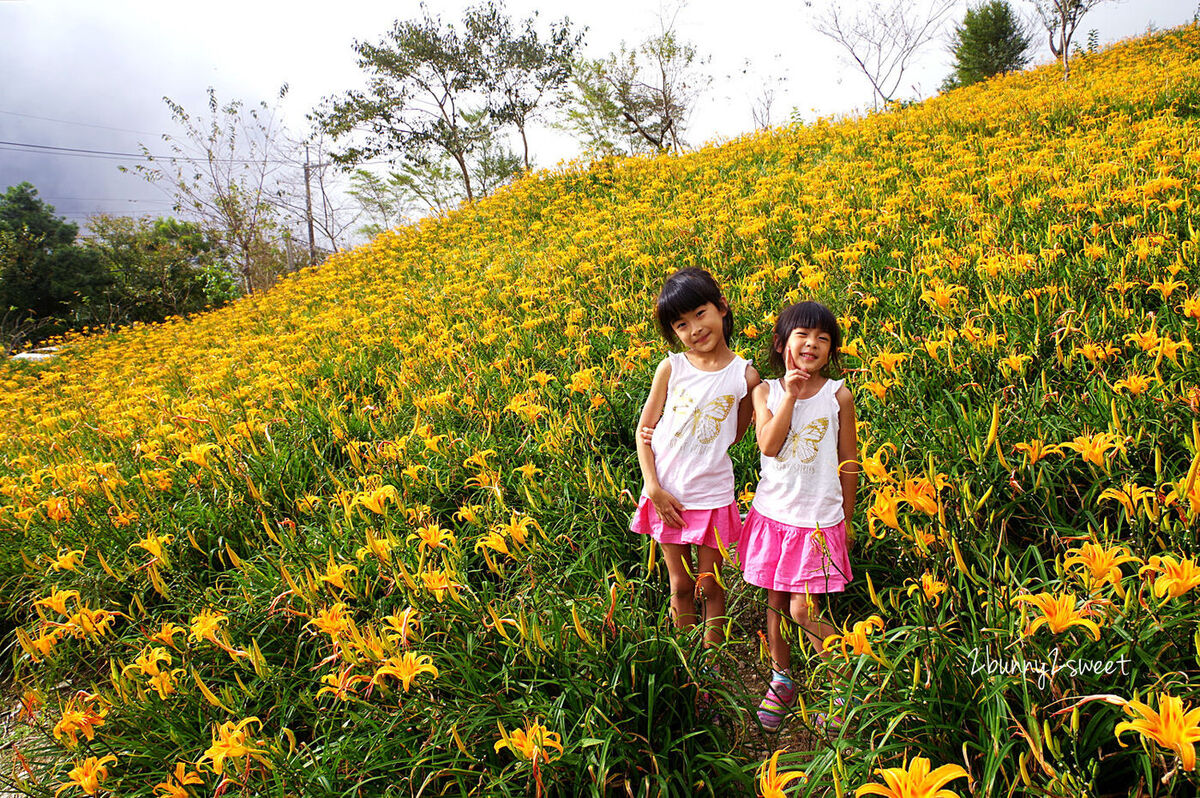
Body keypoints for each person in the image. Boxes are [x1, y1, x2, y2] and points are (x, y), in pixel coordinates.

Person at [739, 300, 859, 732]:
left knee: (802, 609)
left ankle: (844, 684)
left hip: (817, 522)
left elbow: (849, 460)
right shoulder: (766, 392)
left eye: (823, 339)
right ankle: (782, 679)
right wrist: (789, 393)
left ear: (832, 350)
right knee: (775, 604)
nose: (812, 344)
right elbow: (768, 445)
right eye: (802, 336)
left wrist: (846, 518)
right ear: (781, 343)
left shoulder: (838, 394)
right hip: (773, 517)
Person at [632, 267, 760, 647]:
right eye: (681, 324)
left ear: (722, 307)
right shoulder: (672, 367)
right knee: (680, 583)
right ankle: (689, 667)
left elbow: (736, 434)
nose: (694, 329)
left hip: (713, 495)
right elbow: (644, 431)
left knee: (711, 586)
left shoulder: (746, 376)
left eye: (700, 314)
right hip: (666, 494)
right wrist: (652, 487)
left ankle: (712, 663)